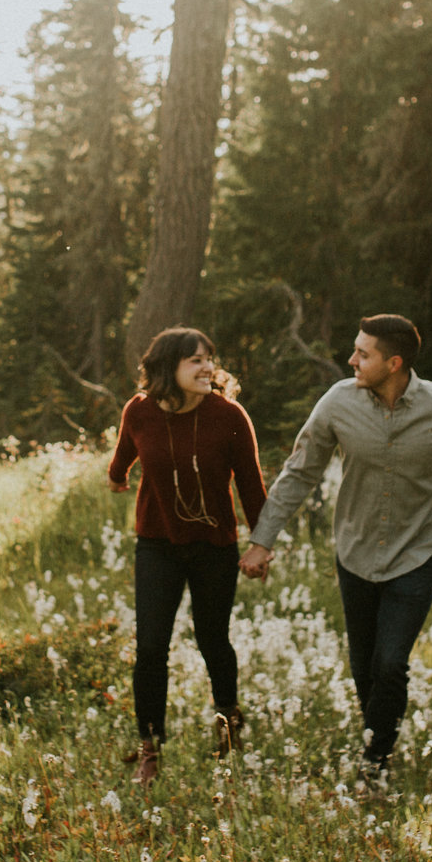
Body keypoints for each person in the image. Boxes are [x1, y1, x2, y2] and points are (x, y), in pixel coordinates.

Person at [240, 314, 432, 780]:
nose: (351, 359)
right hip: (354, 550)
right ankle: (376, 733)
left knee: (391, 661)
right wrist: (262, 540)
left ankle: (376, 759)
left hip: (416, 553)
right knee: (363, 666)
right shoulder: (338, 403)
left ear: (393, 362)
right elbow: (300, 472)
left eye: (364, 353)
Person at [106, 326, 267, 786]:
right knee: (151, 647)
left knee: (213, 638)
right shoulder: (138, 412)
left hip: (215, 545)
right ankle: (149, 749)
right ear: (167, 368)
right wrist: (117, 477)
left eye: (209, 359)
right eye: (194, 360)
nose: (207, 368)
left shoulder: (229, 415)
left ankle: (228, 724)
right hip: (157, 544)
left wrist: (262, 543)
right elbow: (122, 459)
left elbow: (252, 487)